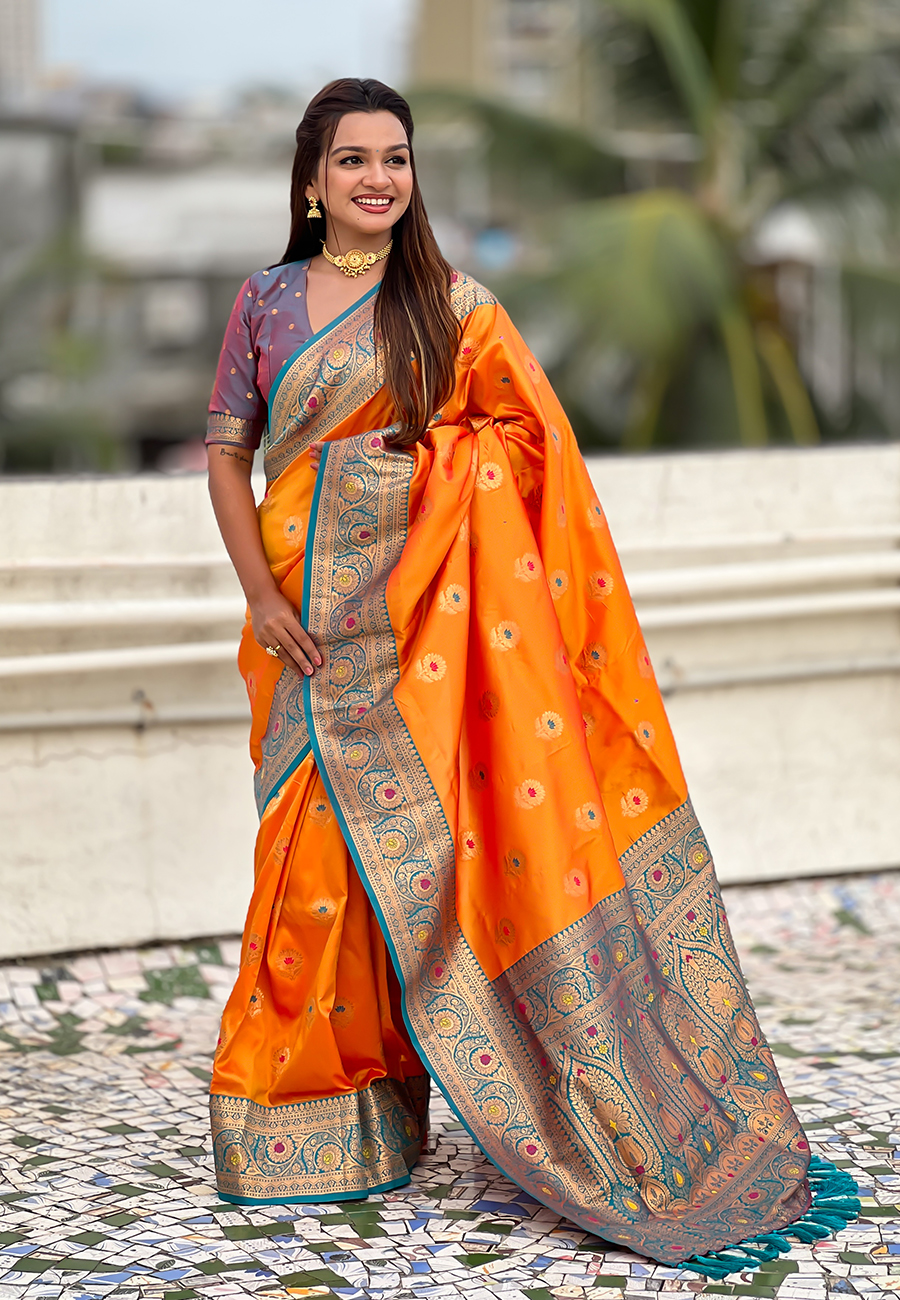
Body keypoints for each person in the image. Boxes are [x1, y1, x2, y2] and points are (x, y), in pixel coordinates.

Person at [204, 78, 847, 1273]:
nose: (378, 178)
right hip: (302, 628)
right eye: (353, 160)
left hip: (424, 638)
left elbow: (527, 447)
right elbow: (227, 455)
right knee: (307, 866)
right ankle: (319, 1106)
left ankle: (513, 1088)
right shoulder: (265, 302)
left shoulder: (454, 308)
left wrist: (424, 475)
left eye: (396, 158)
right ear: (311, 180)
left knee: (424, 861)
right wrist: (262, 593)